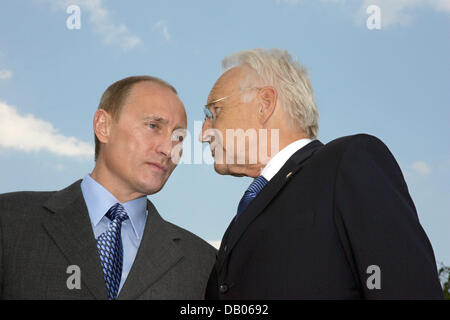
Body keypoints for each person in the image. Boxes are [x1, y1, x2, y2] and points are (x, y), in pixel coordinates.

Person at [201, 49, 443, 299]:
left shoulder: (349, 161)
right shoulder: (237, 225)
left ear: (264, 104)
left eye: (214, 112)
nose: (204, 132)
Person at [0, 75, 216, 299]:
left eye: (178, 137)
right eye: (153, 126)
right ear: (103, 126)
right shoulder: (9, 220)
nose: (168, 148)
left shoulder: (204, 263)